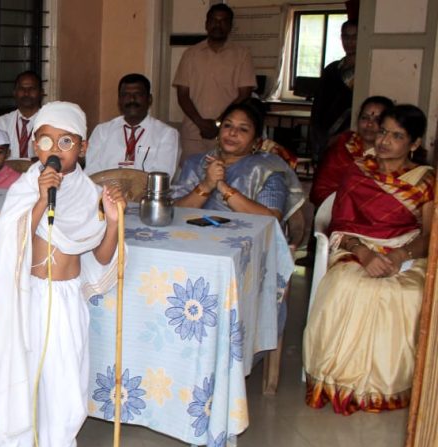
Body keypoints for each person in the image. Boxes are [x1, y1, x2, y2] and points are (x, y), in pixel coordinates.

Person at [0, 101, 125, 447]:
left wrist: (113, 221)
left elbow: (103, 258)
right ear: (35, 146)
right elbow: (9, 238)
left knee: (66, 381)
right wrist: (39, 199)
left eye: (66, 142)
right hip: (27, 296)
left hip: (66, 298)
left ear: (82, 147)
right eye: (46, 141)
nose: (55, 150)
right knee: (18, 373)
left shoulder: (91, 193)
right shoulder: (26, 186)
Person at [303, 104, 434, 415]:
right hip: (356, 246)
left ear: (414, 143)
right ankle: (338, 381)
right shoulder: (357, 171)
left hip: (407, 249)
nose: (384, 140)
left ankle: (387, 386)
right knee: (349, 287)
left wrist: (400, 255)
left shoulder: (425, 180)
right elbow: (339, 226)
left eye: (397, 136)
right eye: (384, 132)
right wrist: (363, 253)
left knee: (405, 293)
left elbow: (430, 235)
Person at [173, 101, 305, 222]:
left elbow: (271, 219)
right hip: (193, 235)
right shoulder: (196, 163)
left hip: (247, 238)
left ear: (256, 141)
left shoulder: (266, 169)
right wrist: (206, 185)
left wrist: (223, 187)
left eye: (243, 129)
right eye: (227, 125)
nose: (232, 133)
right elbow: (174, 211)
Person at [173, 4, 257, 159]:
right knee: (191, 172)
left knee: (225, 172)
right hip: (193, 133)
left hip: (228, 133)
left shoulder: (242, 54)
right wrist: (201, 123)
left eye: (223, 21)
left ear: (230, 26)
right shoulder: (190, 54)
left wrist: (219, 123)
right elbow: (182, 95)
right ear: (206, 24)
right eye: (214, 20)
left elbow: (244, 94)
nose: (218, 25)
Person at [84, 73, 180, 178]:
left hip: (146, 189)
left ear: (149, 99)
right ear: (119, 100)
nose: (132, 99)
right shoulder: (102, 131)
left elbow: (160, 177)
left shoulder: (166, 134)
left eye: (138, 94)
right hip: (105, 187)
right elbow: (91, 171)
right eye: (126, 95)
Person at [310, 95, 394, 206]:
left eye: (377, 120)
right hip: (336, 211)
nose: (369, 124)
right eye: (364, 118)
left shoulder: (394, 155)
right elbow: (320, 190)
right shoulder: (341, 147)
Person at [309, 20, 357, 161]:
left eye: (355, 37)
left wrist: (344, 134)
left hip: (349, 135)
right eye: (346, 36)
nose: (350, 41)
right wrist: (316, 133)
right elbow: (318, 104)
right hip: (323, 132)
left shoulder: (364, 70)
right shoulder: (331, 69)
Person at [0, 71, 45, 161]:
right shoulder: (2, 123)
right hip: (8, 170)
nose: (26, 93)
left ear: (41, 92)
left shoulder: (49, 122)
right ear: (14, 92)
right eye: (21, 89)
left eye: (32, 89)